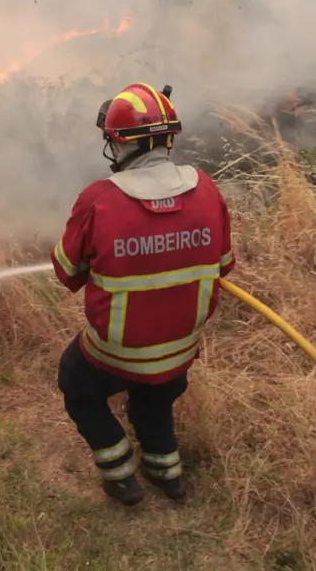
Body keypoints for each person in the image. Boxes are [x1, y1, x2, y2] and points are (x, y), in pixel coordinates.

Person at [50, 82, 235, 506]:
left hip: (117, 354)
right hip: (179, 353)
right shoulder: (208, 191)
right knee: (153, 397)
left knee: (75, 380)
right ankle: (168, 475)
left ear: (118, 143)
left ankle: (119, 475)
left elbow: (66, 272)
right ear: (169, 138)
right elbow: (225, 264)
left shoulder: (99, 201)